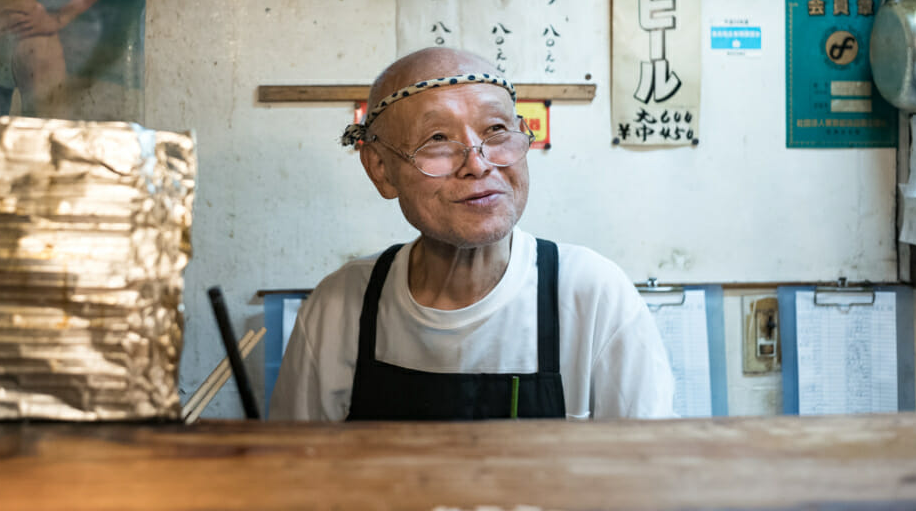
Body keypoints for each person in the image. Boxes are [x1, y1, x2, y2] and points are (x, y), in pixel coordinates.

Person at [269, 47, 675, 421]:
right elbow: (292, 478)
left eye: (496, 129)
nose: (478, 164)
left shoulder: (591, 293)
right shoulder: (341, 306)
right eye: (438, 139)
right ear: (380, 168)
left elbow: (653, 477)